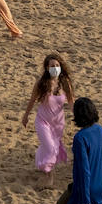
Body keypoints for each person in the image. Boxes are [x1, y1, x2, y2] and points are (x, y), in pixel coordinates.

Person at [21, 53, 74, 188]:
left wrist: (77, 115)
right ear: (47, 68)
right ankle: (48, 176)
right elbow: (32, 100)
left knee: (52, 147)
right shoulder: (41, 83)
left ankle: (41, 159)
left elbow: (71, 101)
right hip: (42, 121)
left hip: (58, 123)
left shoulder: (65, 83)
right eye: (52, 66)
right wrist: (26, 116)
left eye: (57, 65)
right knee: (50, 149)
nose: (55, 68)